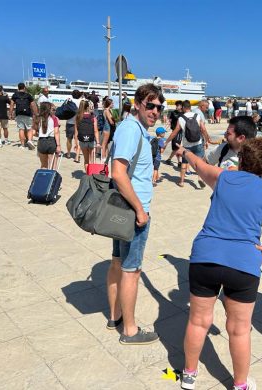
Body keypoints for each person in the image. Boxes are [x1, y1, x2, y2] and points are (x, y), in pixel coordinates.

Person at [178, 137, 262, 390]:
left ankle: (189, 375)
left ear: (242, 159)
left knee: (198, 321)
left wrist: (185, 153)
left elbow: (197, 164)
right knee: (239, 329)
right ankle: (240, 384)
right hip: (243, 263)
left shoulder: (222, 177)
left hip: (205, 256)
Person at [107, 83, 164, 345]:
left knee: (118, 262)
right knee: (132, 270)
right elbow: (118, 172)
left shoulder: (132, 128)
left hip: (123, 207)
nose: (155, 111)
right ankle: (129, 330)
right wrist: (141, 211)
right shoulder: (131, 129)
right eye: (150, 105)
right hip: (133, 212)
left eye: (159, 108)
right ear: (138, 103)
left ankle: (115, 316)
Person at [206, 116, 262, 194]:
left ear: (241, 138)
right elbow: (206, 163)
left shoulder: (258, 156)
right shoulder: (223, 149)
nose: (225, 135)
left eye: (228, 133)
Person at [163, 100, 211, 188]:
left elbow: (175, 132)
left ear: (183, 108)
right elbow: (203, 129)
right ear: (190, 107)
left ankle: (181, 182)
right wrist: (207, 139)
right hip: (198, 142)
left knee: (184, 162)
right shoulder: (197, 116)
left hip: (187, 144)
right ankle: (200, 178)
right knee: (200, 161)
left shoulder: (181, 118)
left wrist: (166, 142)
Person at [9, 82, 38, 150]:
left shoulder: (15, 95)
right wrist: (36, 113)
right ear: (24, 88)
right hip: (28, 114)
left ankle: (22, 145)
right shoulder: (28, 95)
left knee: (21, 129)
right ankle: (30, 140)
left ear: (18, 88)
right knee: (29, 129)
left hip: (19, 114)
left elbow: (12, 104)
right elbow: (33, 105)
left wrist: (10, 113)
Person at [74, 100, 99, 171]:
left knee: (86, 159)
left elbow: (76, 132)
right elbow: (95, 131)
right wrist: (98, 142)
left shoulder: (78, 117)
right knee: (92, 159)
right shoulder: (93, 117)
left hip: (82, 141)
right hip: (91, 140)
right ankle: (92, 175)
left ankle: (87, 174)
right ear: (88, 107)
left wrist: (76, 144)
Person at [36, 102, 61, 168]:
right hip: (51, 141)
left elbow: (35, 132)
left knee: (43, 165)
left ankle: (43, 177)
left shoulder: (38, 118)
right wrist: (58, 145)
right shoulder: (54, 118)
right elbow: (56, 132)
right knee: (53, 165)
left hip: (41, 141)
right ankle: (52, 178)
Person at [64, 90, 82, 161]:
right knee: (77, 139)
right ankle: (77, 155)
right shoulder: (81, 101)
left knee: (69, 139)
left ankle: (68, 153)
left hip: (69, 122)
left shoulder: (69, 100)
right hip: (78, 122)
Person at [164, 100, 183, 165]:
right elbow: (170, 120)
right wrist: (167, 125)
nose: (176, 107)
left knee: (176, 146)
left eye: (177, 105)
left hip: (179, 132)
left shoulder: (183, 114)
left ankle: (178, 161)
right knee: (175, 147)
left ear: (181, 106)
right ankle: (173, 160)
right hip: (173, 131)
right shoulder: (173, 112)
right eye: (176, 105)